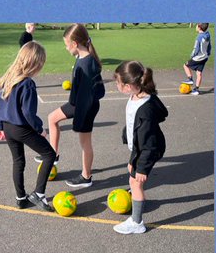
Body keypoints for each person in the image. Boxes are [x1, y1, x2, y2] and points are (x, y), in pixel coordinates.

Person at [0, 41, 56, 211]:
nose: (41, 68)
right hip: (21, 128)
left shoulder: (6, 78)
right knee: (49, 154)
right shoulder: (27, 83)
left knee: (18, 161)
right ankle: (39, 194)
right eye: (41, 64)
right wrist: (39, 128)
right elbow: (28, 113)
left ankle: (21, 198)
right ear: (34, 63)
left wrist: (0, 127)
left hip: (7, 127)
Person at [42, 24, 105, 191]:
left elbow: (93, 94)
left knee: (85, 143)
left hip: (84, 107)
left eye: (66, 44)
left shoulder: (86, 64)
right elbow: (99, 90)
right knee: (52, 118)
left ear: (75, 43)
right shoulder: (84, 58)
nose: (65, 47)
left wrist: (79, 120)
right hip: (79, 103)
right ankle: (53, 155)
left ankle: (86, 177)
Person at [112, 60, 168, 236]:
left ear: (128, 86)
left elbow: (149, 143)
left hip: (148, 150)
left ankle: (137, 223)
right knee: (133, 178)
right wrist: (132, 160)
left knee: (135, 182)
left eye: (118, 83)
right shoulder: (137, 96)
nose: (116, 85)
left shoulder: (146, 110)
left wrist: (141, 166)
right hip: (139, 148)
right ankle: (138, 201)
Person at [183, 23, 211, 96]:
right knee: (199, 73)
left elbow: (196, 49)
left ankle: (190, 79)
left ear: (199, 27)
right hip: (204, 57)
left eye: (196, 25)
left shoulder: (198, 38)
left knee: (185, 65)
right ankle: (196, 90)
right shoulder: (208, 35)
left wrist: (192, 56)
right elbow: (209, 46)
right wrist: (208, 53)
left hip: (197, 58)